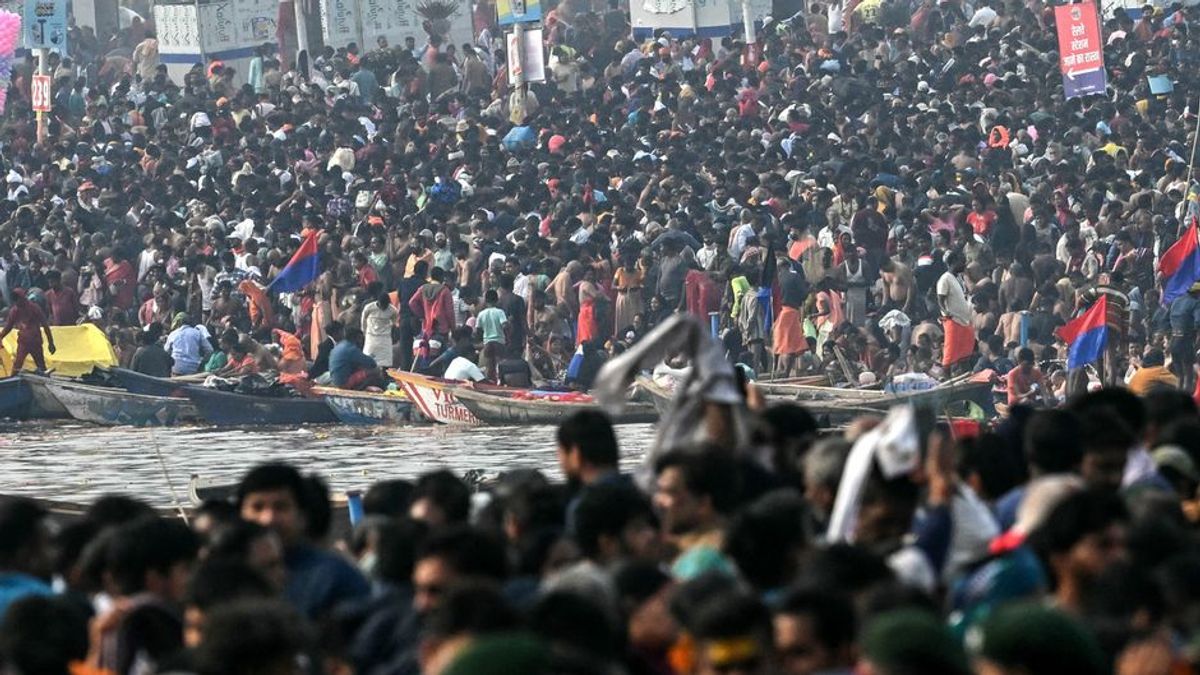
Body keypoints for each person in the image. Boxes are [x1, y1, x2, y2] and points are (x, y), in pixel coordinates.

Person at [236, 463, 369, 619]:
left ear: (302, 515)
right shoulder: (222, 573)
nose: (268, 519)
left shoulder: (335, 578)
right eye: (257, 508)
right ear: (239, 513)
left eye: (281, 507)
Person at [0, 288, 55, 372]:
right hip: (23, 343)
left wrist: (51, 343)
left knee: (41, 365)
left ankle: (45, 381)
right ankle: (14, 382)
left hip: (35, 342)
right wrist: (1, 336)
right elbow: (8, 327)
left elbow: (45, 325)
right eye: (14, 301)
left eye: (17, 300)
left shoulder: (34, 308)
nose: (16, 303)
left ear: (22, 298)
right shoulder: (14, 311)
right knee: (17, 365)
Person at [475, 289, 508, 381]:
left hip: (487, 343)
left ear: (485, 301)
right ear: (497, 300)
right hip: (499, 341)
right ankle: (501, 383)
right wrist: (507, 337)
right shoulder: (500, 312)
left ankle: (490, 384)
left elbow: (478, 329)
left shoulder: (481, 314)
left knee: (489, 367)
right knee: (500, 365)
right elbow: (505, 325)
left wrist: (480, 339)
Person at [361, 286, 397, 368]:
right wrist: (364, 332)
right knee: (369, 360)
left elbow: (394, 322)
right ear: (378, 302)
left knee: (386, 363)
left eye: (386, 306)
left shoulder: (393, 310)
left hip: (385, 339)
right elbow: (363, 321)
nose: (384, 308)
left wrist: (389, 330)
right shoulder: (369, 308)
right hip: (371, 338)